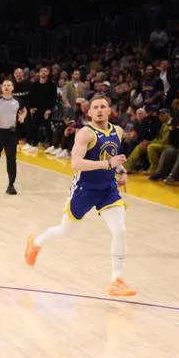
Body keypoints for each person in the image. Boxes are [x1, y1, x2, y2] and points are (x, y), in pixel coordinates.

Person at [25, 94, 136, 297]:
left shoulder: (118, 131)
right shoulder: (86, 133)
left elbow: (111, 157)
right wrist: (107, 164)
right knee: (65, 230)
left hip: (108, 189)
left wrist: (120, 170)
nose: (100, 110)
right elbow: (75, 164)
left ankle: (116, 280)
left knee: (120, 230)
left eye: (104, 106)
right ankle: (36, 242)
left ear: (110, 110)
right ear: (90, 112)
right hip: (85, 188)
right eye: (96, 107)